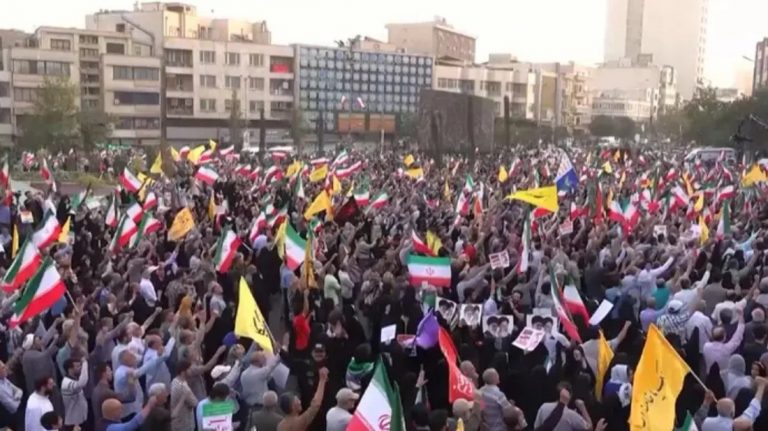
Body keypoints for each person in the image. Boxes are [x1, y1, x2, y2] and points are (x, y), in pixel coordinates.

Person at [60, 357, 89, 430]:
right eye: (77, 366)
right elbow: (82, 383)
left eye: (80, 366)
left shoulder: (74, 380)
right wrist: (85, 363)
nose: (80, 368)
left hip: (80, 420)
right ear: (70, 369)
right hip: (73, 423)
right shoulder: (67, 383)